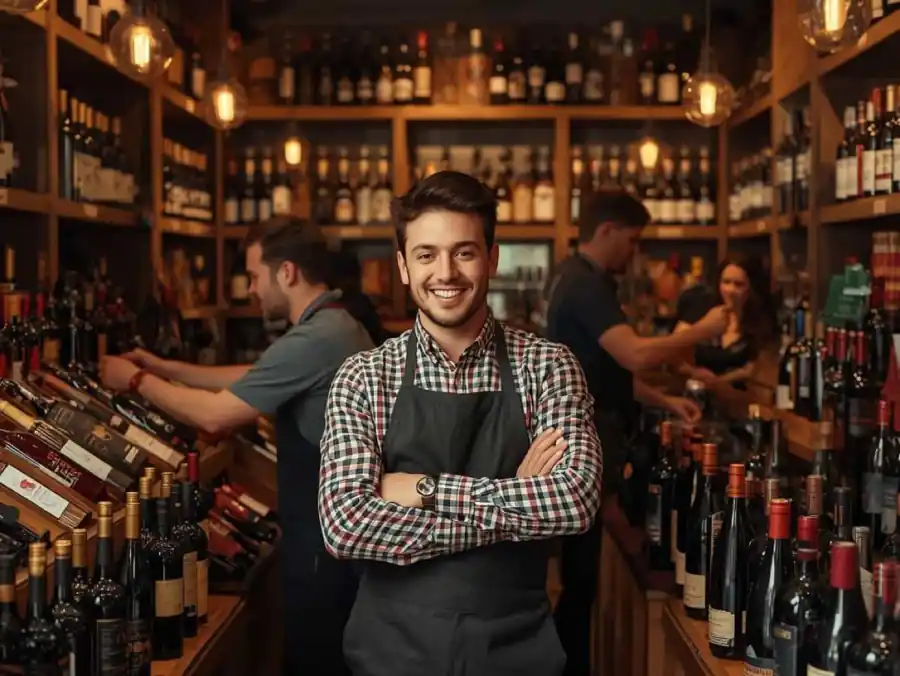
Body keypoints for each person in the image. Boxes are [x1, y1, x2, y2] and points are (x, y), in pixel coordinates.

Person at [318, 171, 603, 676]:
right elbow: (346, 526)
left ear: (492, 258)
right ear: (404, 267)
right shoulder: (364, 376)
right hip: (390, 655)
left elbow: (574, 502)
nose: (445, 272)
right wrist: (514, 495)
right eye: (426, 254)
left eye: (464, 252)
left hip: (517, 654)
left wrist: (425, 490)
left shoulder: (549, 366)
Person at [98, 218, 373, 676]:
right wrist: (167, 368)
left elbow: (215, 414)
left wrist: (135, 380)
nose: (250, 290)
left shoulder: (318, 337)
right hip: (328, 541)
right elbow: (253, 378)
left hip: (324, 552)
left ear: (286, 273)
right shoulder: (333, 326)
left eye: (254, 276)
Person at [544, 189, 730, 676]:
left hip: (588, 438)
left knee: (583, 582)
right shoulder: (585, 285)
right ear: (606, 231)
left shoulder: (580, 278)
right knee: (581, 583)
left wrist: (665, 400)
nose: (635, 252)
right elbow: (638, 354)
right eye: (632, 240)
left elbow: (610, 371)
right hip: (585, 443)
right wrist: (701, 328)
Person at [675, 253, 776, 390]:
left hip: (736, 396)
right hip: (694, 390)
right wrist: (694, 373)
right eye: (726, 282)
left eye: (738, 284)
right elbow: (674, 351)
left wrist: (718, 381)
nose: (730, 290)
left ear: (751, 288)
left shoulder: (759, 320)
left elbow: (755, 370)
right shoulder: (699, 306)